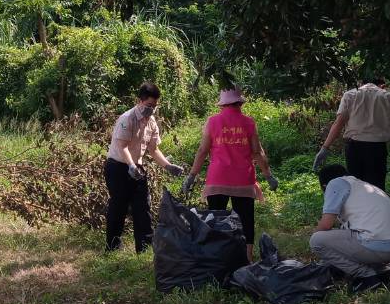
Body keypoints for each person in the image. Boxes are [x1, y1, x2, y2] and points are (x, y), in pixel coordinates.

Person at [181, 86, 277, 261]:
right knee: (246, 219)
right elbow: (257, 151)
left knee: (216, 219)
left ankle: (218, 257)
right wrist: (268, 175)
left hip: (218, 178)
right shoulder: (248, 122)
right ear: (240, 102)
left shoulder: (212, 122)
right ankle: (246, 258)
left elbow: (203, 150)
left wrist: (192, 175)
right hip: (243, 179)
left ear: (222, 104)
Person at [105, 83, 185, 253]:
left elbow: (153, 149)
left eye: (155, 106)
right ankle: (112, 247)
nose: (152, 110)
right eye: (149, 106)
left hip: (137, 168)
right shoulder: (127, 118)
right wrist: (131, 165)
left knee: (143, 207)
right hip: (118, 167)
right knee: (118, 207)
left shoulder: (152, 122)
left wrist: (168, 166)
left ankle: (145, 248)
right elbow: (122, 146)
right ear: (139, 101)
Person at [311, 163, 390, 290]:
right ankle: (382, 271)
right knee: (348, 237)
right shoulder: (363, 185)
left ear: (324, 186)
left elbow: (325, 225)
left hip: (376, 244)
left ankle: (366, 277)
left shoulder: (335, 183)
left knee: (317, 240)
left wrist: (320, 249)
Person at [313, 77, 390, 189]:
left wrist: (324, 148)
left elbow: (338, 124)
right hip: (377, 150)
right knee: (376, 187)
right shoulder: (388, 97)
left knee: (355, 186)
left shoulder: (350, 95)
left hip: (354, 149)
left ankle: (358, 206)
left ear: (361, 83)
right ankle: (376, 205)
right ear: (381, 85)